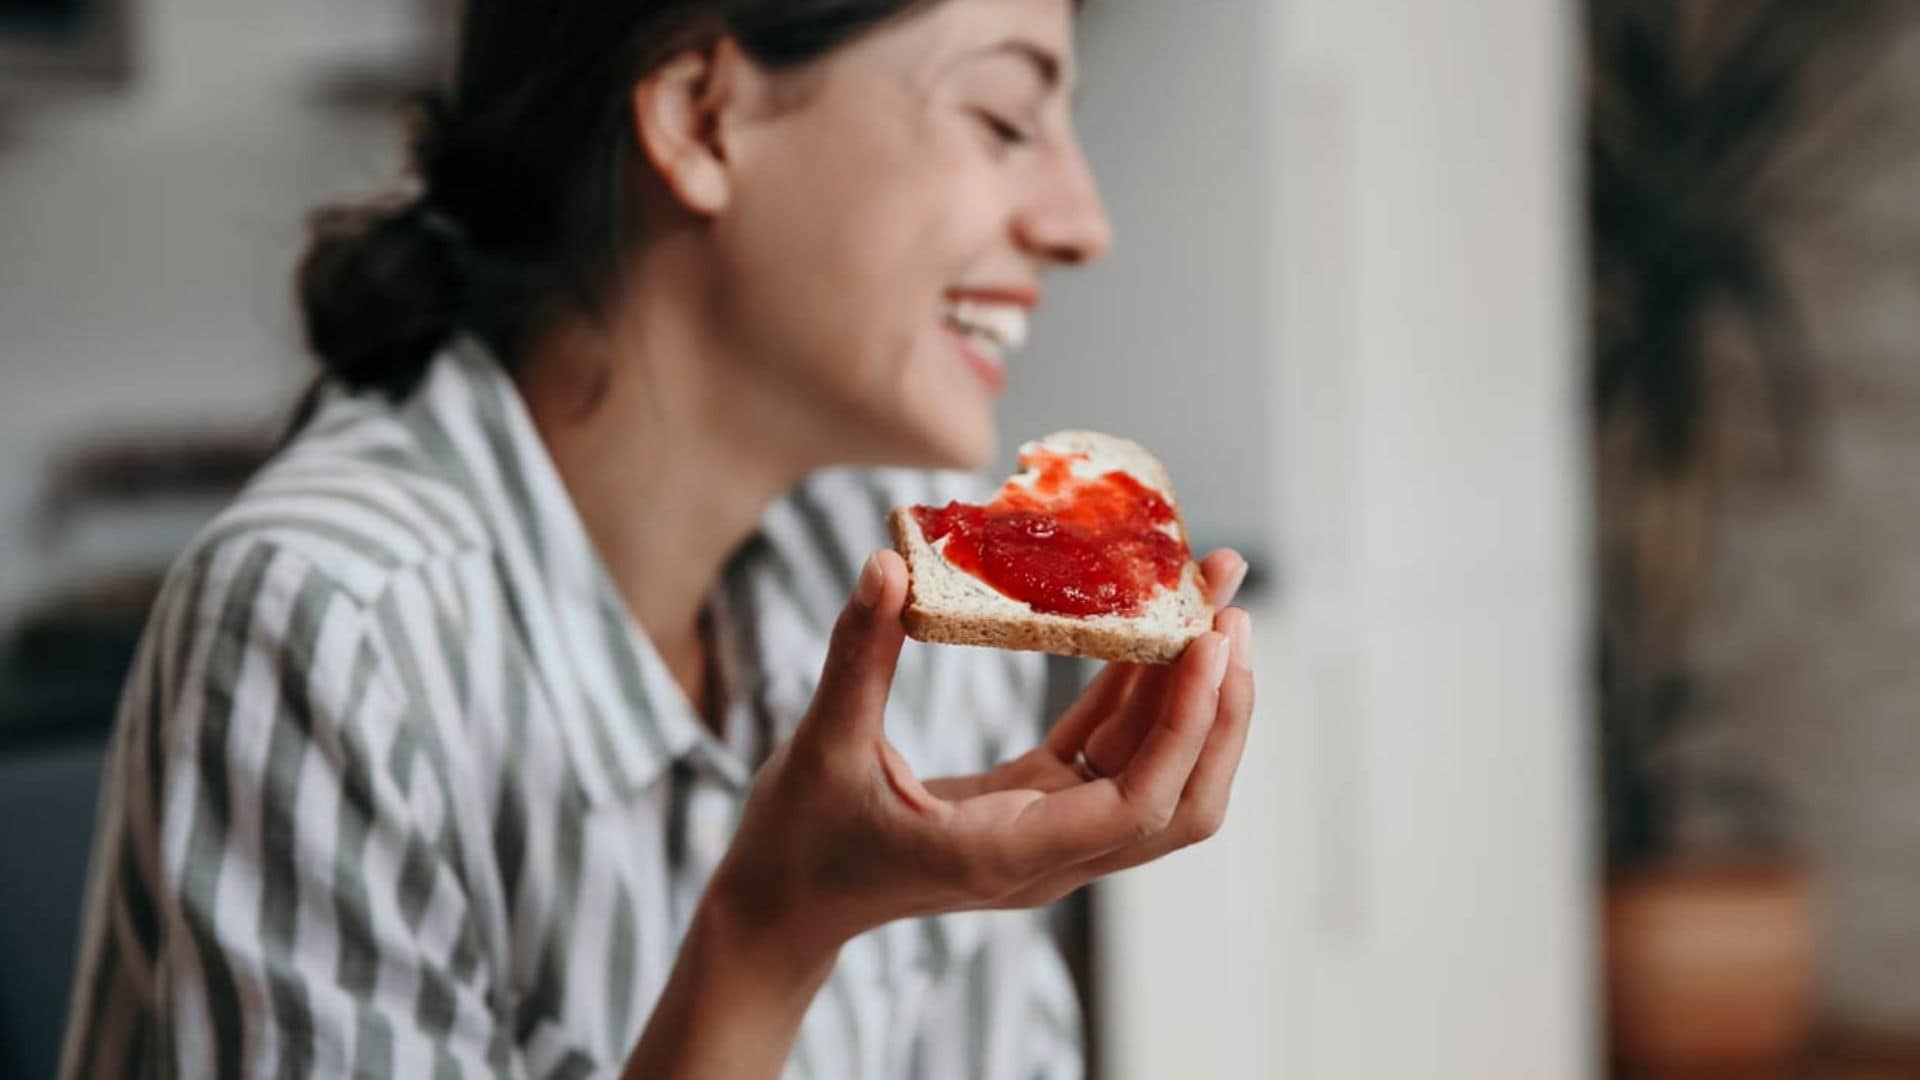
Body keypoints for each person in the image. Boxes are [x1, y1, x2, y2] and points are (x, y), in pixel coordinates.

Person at [59, 0, 1256, 1075]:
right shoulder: (333, 622)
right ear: (701, 118)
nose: (1083, 221)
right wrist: (771, 932)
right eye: (1003, 119)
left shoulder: (916, 592)